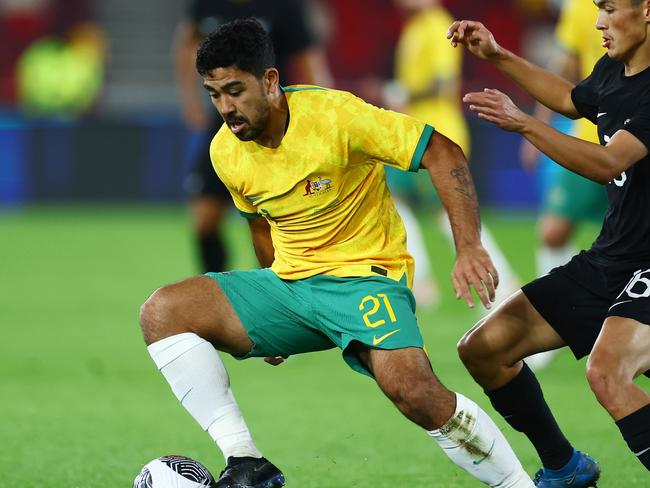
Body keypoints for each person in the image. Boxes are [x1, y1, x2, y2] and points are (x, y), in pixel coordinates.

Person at [141, 18, 536, 488]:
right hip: (290, 287)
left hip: (365, 279)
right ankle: (245, 461)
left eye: (234, 90)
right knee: (162, 312)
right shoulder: (225, 150)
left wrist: (468, 246)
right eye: (214, 94)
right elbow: (260, 226)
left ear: (269, 82)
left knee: (414, 392)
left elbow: (444, 153)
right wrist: (267, 311)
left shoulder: (337, 116)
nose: (226, 107)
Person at [448, 1, 650, 485]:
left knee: (609, 373)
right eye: (598, 9)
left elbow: (608, 163)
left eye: (610, 9)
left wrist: (522, 123)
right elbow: (572, 98)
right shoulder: (616, 69)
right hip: (614, 258)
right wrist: (497, 54)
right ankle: (565, 467)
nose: (598, 22)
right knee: (484, 348)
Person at [383, 0, 521, 308]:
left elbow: (444, 82)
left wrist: (403, 94)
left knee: (448, 212)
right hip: (414, 135)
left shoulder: (437, 26)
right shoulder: (415, 28)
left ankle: (499, 277)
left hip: (437, 136)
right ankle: (422, 281)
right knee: (402, 203)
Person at [175, 0, 331, 273]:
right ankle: (219, 288)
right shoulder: (205, 5)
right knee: (204, 220)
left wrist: (321, 112)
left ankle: (276, 286)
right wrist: (189, 100)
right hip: (227, 123)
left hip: (276, 126)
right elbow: (188, 42)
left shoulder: (284, 8)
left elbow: (307, 60)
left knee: (271, 220)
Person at [520, 0, 610, 371]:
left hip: (638, 135)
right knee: (553, 231)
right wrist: (536, 127)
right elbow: (565, 70)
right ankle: (554, 325)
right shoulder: (578, 8)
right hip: (591, 134)